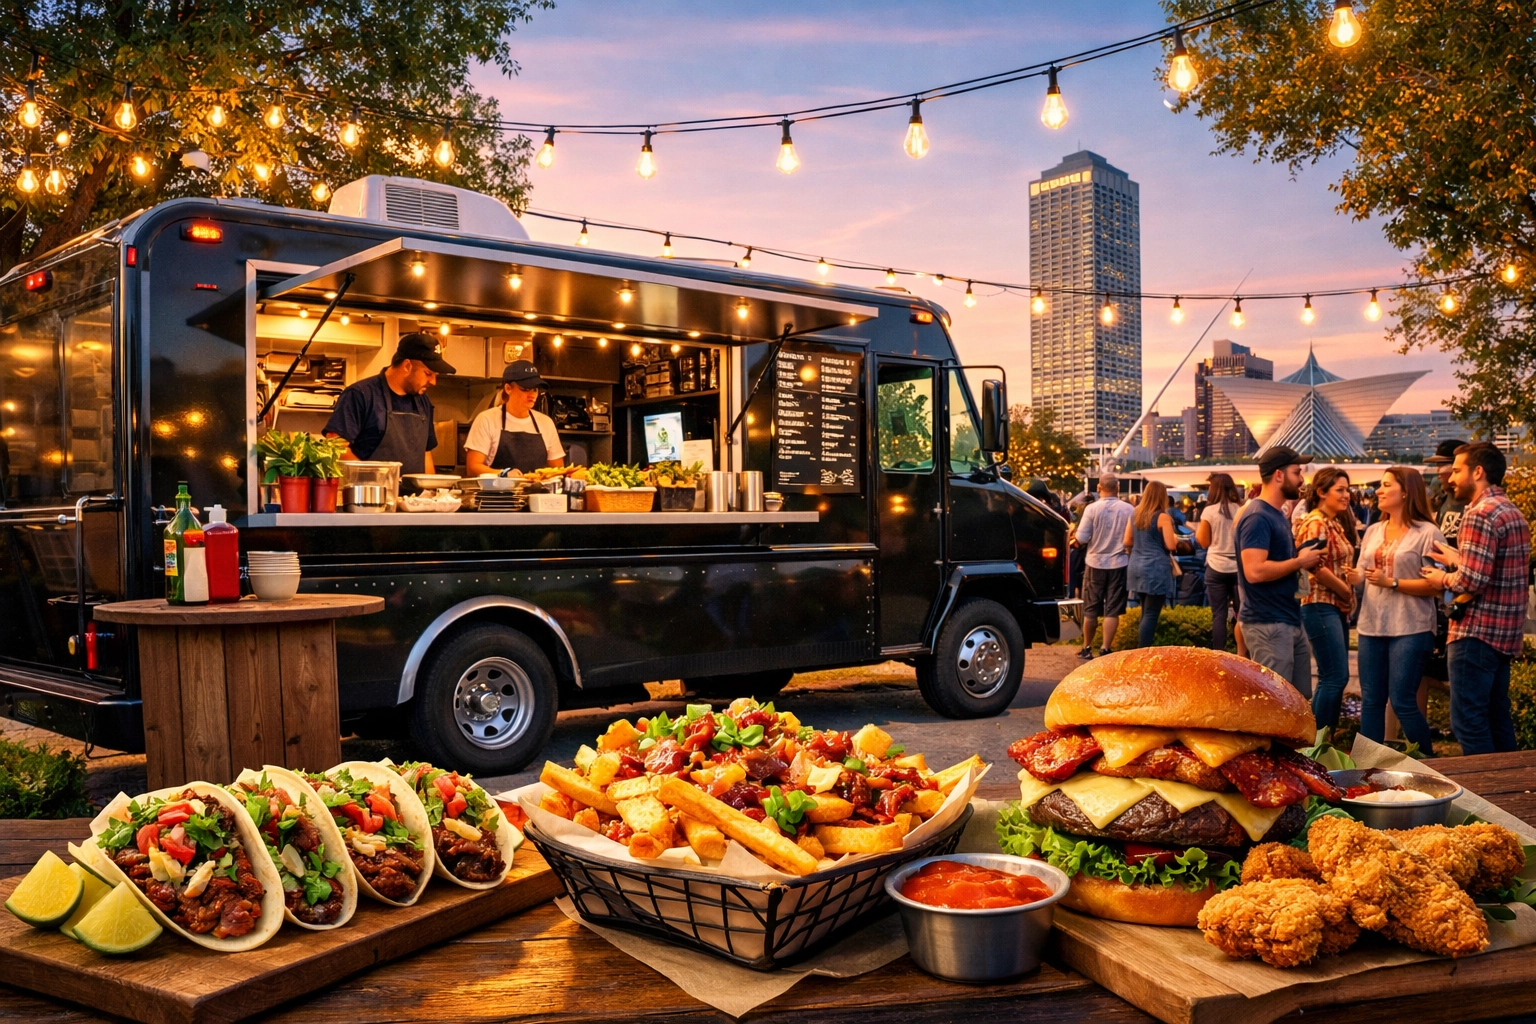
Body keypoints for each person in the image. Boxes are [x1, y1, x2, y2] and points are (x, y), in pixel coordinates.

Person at [1422, 442, 1532, 754]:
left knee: (1468, 722)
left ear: (1478, 472)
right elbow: (1496, 571)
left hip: (1476, 633)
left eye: (1457, 470)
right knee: (1497, 718)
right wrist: (1458, 558)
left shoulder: (1479, 514)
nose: (1451, 478)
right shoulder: (1511, 511)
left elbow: (1472, 580)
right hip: (1503, 635)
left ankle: (1484, 783)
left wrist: (1441, 578)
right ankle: (1511, 781)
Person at [1343, 467, 1446, 753]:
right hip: (1371, 625)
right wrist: (1354, 577)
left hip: (1411, 627)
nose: (1378, 491)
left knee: (1402, 701)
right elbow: (1363, 572)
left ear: (1406, 492)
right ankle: (1368, 767)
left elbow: (1437, 586)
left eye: (1386, 485)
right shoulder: (1373, 530)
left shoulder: (1428, 533)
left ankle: (1428, 763)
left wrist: (1393, 582)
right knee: (1372, 700)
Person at [1236, 446, 1323, 695]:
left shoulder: (1274, 514)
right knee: (1276, 702)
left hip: (1286, 620)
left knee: (1297, 701)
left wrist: (1302, 561)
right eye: (1297, 472)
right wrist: (1299, 562)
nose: (1302, 479)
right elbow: (1254, 571)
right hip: (1269, 624)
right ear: (1278, 475)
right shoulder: (1258, 517)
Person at [1295, 468, 1357, 731]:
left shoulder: (1334, 522)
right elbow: (1313, 566)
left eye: (1347, 490)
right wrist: (1345, 590)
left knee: (1334, 677)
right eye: (1340, 490)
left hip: (1334, 605)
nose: (1346, 495)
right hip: (1320, 602)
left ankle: (1322, 738)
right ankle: (1315, 740)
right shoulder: (1316, 523)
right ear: (1321, 492)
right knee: (1333, 677)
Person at [464, 360, 566, 476]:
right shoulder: (487, 420)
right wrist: (504, 474)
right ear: (508, 388)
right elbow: (472, 468)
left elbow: (558, 471)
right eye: (525, 389)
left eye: (535, 389)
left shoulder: (546, 423)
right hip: (498, 488)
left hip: (537, 488)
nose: (532, 395)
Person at [1075, 475, 1135, 659]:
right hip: (1119, 563)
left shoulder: (1091, 509)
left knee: (1091, 609)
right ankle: (1106, 648)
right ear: (1118, 487)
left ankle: (1087, 647)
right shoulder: (1129, 509)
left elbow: (1081, 538)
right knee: (1113, 609)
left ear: (1099, 487)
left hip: (1095, 563)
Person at [1124, 480, 1180, 648]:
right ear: (1162, 496)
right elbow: (1171, 545)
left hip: (1136, 566)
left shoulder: (1135, 514)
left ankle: (1141, 650)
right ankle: (1143, 652)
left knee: (1145, 611)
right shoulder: (1163, 517)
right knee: (1151, 613)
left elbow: (1127, 541)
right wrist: (1175, 539)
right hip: (1155, 568)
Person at [1197, 472, 1245, 653]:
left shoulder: (1209, 511)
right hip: (1239, 567)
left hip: (1216, 566)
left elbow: (1204, 541)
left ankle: (1219, 654)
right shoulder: (1242, 509)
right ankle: (1242, 654)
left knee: (1219, 614)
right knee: (1242, 614)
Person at [1429, 438, 1469, 546]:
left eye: (1441, 465)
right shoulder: (1442, 501)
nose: (1437, 470)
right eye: (1437, 465)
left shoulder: (1474, 504)